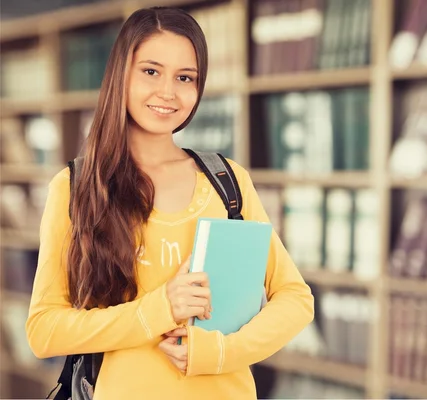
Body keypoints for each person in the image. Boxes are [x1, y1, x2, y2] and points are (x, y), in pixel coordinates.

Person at [26, 6, 314, 399]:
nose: (168, 92)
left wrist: (219, 352)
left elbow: (296, 299)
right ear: (120, 75)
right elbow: (44, 330)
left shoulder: (228, 182)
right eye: (151, 71)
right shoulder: (76, 188)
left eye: (185, 78)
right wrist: (158, 309)